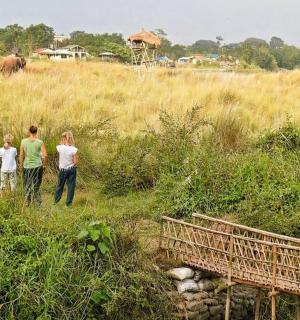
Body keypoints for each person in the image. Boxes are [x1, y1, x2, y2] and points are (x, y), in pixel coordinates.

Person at [19, 125, 47, 206]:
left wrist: (21, 165)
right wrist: (45, 165)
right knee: (37, 184)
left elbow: (21, 155)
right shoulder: (40, 142)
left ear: (29, 131)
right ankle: (37, 202)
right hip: (37, 166)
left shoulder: (23, 141)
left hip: (27, 166)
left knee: (27, 184)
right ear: (36, 131)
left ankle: (27, 202)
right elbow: (45, 155)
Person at [54, 131, 78, 206]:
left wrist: (62, 142)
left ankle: (56, 202)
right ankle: (68, 204)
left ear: (63, 139)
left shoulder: (60, 147)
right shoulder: (74, 149)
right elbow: (75, 162)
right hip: (71, 169)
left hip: (63, 170)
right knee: (71, 187)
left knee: (60, 186)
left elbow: (60, 148)